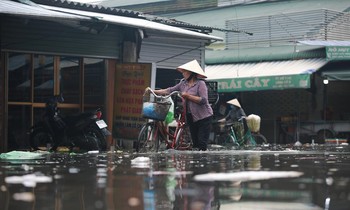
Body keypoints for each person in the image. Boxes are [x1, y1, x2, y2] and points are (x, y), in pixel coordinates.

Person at [151, 60, 213, 151]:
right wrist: (153, 91)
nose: (183, 73)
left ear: (191, 73)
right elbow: (169, 90)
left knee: (202, 144)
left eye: (185, 71)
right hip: (191, 116)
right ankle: (196, 163)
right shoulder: (183, 84)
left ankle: (202, 162)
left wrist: (188, 96)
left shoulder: (200, 84)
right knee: (195, 144)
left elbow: (203, 100)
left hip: (204, 117)